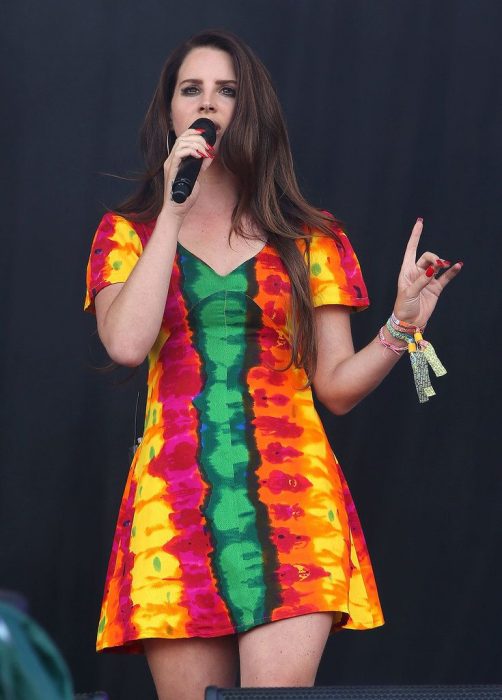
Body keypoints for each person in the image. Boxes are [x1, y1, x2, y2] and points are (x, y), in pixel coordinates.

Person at [84, 29, 462, 700]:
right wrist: (171, 210)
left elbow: (337, 391)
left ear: (250, 106)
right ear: (169, 111)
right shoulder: (128, 232)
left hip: (293, 496)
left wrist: (401, 325)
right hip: (176, 506)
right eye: (192, 90)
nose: (210, 104)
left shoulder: (309, 235)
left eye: (227, 91)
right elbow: (125, 343)